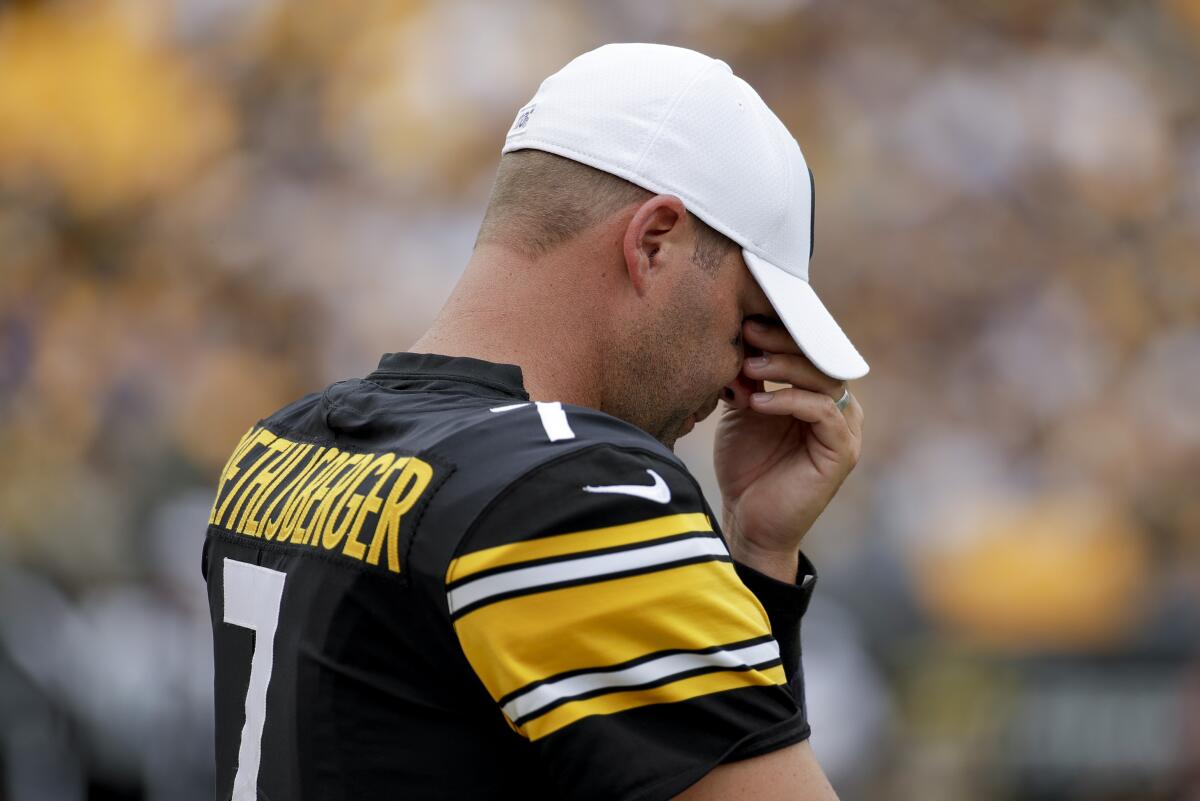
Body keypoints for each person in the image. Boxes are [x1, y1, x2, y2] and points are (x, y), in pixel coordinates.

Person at [203, 43, 867, 801]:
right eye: (747, 323)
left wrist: (760, 552)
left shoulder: (281, 443)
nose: (738, 381)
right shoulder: (575, 491)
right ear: (653, 242)